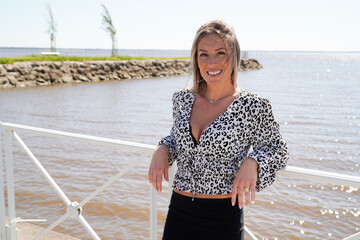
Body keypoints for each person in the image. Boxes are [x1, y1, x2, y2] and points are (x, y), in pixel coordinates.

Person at [148, 20, 289, 240]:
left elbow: (277, 150)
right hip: (178, 213)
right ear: (196, 59)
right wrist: (163, 148)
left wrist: (253, 162)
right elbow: (178, 139)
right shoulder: (182, 99)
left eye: (220, 53)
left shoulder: (252, 105)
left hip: (222, 219)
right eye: (203, 54)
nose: (211, 62)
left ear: (234, 56)